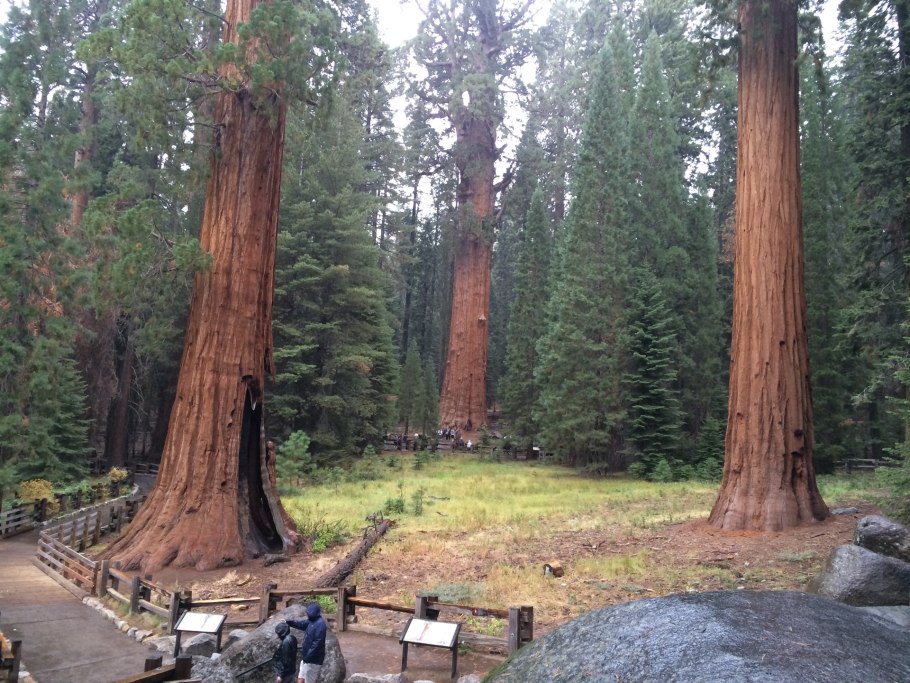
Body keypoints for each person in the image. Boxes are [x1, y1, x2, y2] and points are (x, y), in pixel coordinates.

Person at [287, 602, 327, 683]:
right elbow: (301, 624)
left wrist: (308, 656)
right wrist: (288, 622)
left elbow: (317, 644)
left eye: (309, 613)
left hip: (313, 660)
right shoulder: (311, 621)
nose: (307, 615)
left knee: (309, 680)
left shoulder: (320, 625)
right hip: (306, 658)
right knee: (301, 678)